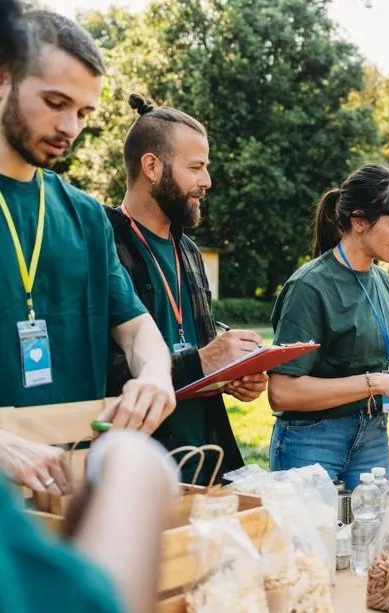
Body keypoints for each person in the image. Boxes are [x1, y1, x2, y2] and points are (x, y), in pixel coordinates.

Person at [0, 5, 174, 613]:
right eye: (54, 102)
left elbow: (138, 331)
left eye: (83, 112)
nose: (70, 126)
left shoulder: (84, 215)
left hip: (67, 492)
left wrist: (154, 375)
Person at [105, 94, 267, 483]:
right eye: (196, 167)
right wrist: (202, 361)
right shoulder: (101, 243)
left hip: (208, 462)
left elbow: (196, 347)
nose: (206, 182)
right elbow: (96, 372)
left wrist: (231, 375)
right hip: (140, 469)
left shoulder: (189, 252)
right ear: (151, 166)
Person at [268, 164, 389, 490]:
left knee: (372, 538)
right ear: (359, 221)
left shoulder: (383, 281)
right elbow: (281, 393)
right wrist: (373, 383)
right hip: (312, 439)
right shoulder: (310, 286)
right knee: (313, 541)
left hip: (372, 435)